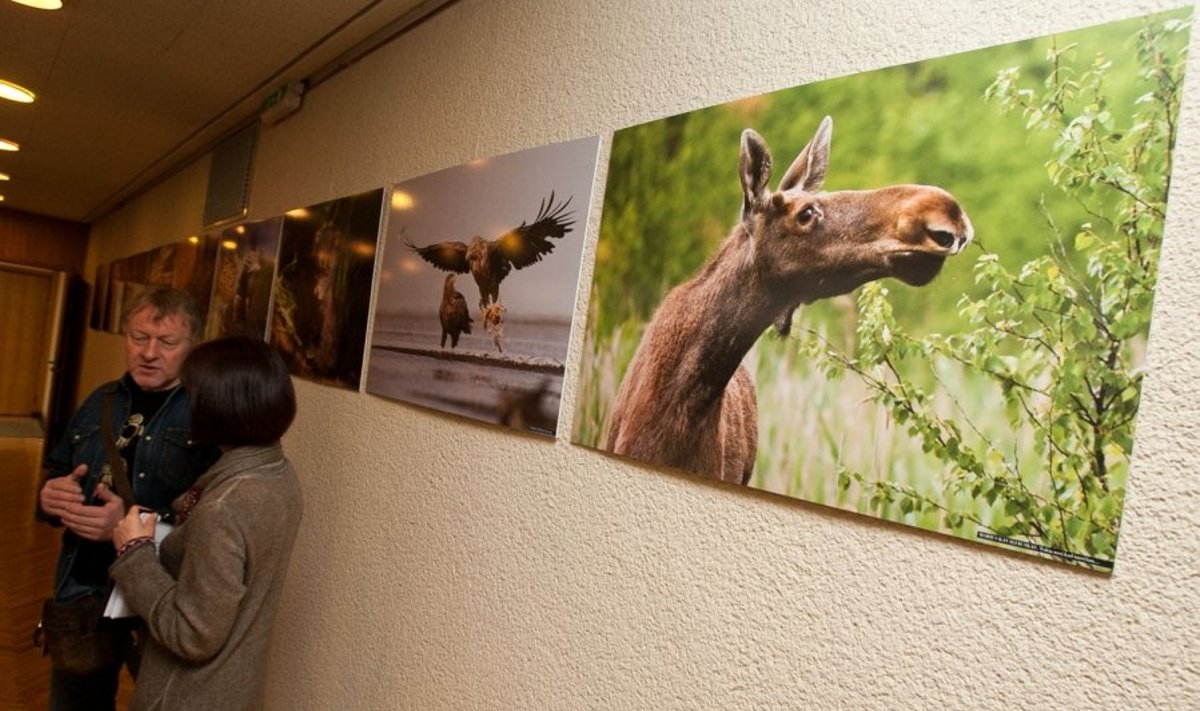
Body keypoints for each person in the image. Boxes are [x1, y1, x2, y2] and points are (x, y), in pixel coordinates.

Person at [38, 286, 221, 711]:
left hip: (156, 601)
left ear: (193, 346)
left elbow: (211, 528)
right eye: (139, 338)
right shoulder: (97, 402)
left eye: (167, 342)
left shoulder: (208, 416)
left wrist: (130, 530)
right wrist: (50, 496)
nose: (149, 353)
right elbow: (58, 470)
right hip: (82, 588)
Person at [109, 336, 304, 711]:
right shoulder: (278, 474)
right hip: (234, 690)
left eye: (194, 396)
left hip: (189, 696)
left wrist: (134, 553)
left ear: (220, 408)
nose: (188, 406)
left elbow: (193, 633)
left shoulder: (226, 506)